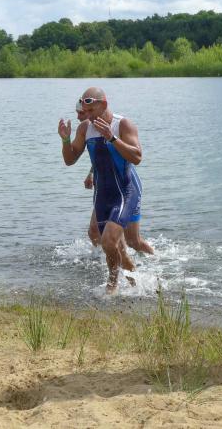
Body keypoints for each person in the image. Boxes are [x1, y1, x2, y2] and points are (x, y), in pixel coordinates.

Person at [59, 88, 147, 294]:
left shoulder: (122, 124)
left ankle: (112, 286)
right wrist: (65, 140)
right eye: (85, 111)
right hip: (102, 195)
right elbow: (69, 160)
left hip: (125, 191)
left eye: (91, 111)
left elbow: (137, 157)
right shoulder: (85, 128)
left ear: (104, 105)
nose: (87, 116)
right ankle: (139, 284)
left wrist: (112, 138)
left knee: (110, 241)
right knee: (114, 246)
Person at [76, 100, 154, 255]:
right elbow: (100, 156)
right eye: (78, 113)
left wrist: (111, 138)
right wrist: (91, 172)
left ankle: (155, 259)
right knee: (94, 232)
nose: (79, 117)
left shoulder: (115, 125)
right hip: (106, 188)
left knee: (133, 241)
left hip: (126, 185)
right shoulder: (88, 128)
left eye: (82, 113)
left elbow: (121, 155)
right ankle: (113, 258)